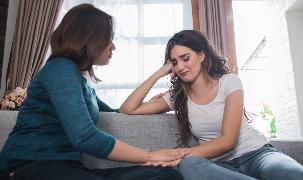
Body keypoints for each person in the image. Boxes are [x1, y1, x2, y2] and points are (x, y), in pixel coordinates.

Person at [0, 4, 189, 180]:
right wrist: (149, 155)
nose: (113, 46)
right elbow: (85, 136)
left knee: (165, 175)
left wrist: (160, 84)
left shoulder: (81, 83)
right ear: (90, 39)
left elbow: (121, 111)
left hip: (68, 169)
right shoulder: (60, 69)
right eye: (108, 39)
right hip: (28, 168)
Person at [119, 30, 303, 180]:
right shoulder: (177, 96)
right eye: (174, 62)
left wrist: (176, 155)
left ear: (202, 55)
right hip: (220, 167)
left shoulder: (229, 82)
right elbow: (128, 108)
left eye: (185, 58)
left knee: (293, 174)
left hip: (257, 154)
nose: (180, 67)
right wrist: (159, 72)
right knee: (190, 166)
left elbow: (228, 140)